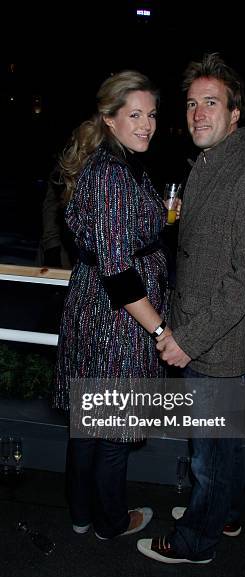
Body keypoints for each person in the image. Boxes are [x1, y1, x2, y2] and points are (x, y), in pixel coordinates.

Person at [137, 52, 245, 563]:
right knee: (223, 448)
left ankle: (197, 541)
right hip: (204, 337)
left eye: (212, 103)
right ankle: (228, 512)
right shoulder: (208, 165)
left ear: (235, 112)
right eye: (193, 104)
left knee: (207, 457)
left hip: (219, 348)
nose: (199, 113)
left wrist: (186, 341)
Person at [53, 70, 172, 540]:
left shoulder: (110, 166)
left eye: (152, 115)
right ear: (109, 119)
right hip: (118, 318)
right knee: (113, 430)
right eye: (135, 115)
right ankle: (111, 521)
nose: (147, 125)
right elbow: (120, 273)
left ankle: (82, 515)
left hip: (93, 307)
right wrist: (162, 332)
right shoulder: (112, 174)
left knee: (89, 422)